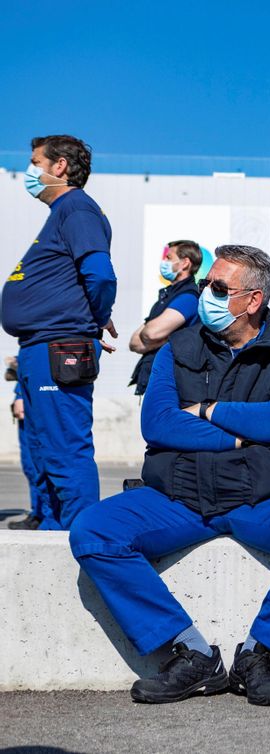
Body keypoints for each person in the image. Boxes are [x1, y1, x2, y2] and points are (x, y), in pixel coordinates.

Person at [69, 245, 270, 707]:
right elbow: (158, 422)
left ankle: (260, 654)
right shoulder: (177, 347)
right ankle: (194, 655)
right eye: (207, 285)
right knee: (93, 531)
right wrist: (242, 435)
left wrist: (207, 410)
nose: (208, 295)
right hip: (178, 496)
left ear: (253, 300)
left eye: (220, 288)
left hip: (263, 497)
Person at [1, 135, 118, 530]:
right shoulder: (60, 214)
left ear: (59, 167)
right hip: (40, 348)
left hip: (60, 347)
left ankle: (83, 537)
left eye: (35, 162)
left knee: (65, 449)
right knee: (42, 450)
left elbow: (100, 275)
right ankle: (51, 530)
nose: (29, 171)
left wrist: (94, 320)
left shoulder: (77, 209)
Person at [129, 240, 202, 395]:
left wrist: (158, 338)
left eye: (169, 258)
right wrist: (168, 338)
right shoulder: (167, 296)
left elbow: (150, 333)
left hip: (170, 382)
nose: (164, 262)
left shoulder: (188, 297)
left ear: (185, 263)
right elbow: (134, 342)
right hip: (153, 378)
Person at [7, 364, 50, 530]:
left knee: (37, 465)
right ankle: (38, 513)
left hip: (34, 400)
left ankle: (43, 515)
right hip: (30, 395)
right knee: (31, 467)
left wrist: (19, 394)